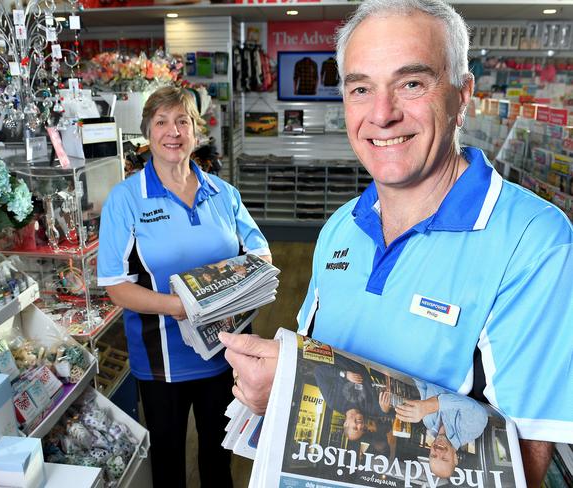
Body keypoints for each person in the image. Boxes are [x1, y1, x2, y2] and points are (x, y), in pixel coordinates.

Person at [220, 1, 573, 486]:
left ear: (462, 95)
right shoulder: (341, 226)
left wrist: (296, 390)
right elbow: (317, 363)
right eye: (361, 88)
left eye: (411, 83)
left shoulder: (534, 241)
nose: (382, 115)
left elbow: (520, 469)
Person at [97, 86, 271, 488]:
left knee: (218, 458)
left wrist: (234, 293)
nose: (173, 132)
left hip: (225, 352)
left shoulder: (222, 193)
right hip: (162, 363)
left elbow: (260, 254)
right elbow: (116, 287)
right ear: (147, 132)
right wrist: (181, 306)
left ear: (196, 131)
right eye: (161, 122)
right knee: (168, 464)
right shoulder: (126, 199)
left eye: (182, 121)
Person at [395, 380, 488, 478]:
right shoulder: (470, 430)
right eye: (444, 458)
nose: (438, 451)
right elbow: (472, 407)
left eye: (433, 456)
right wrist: (430, 405)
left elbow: (423, 385)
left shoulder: (428, 422)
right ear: (455, 458)